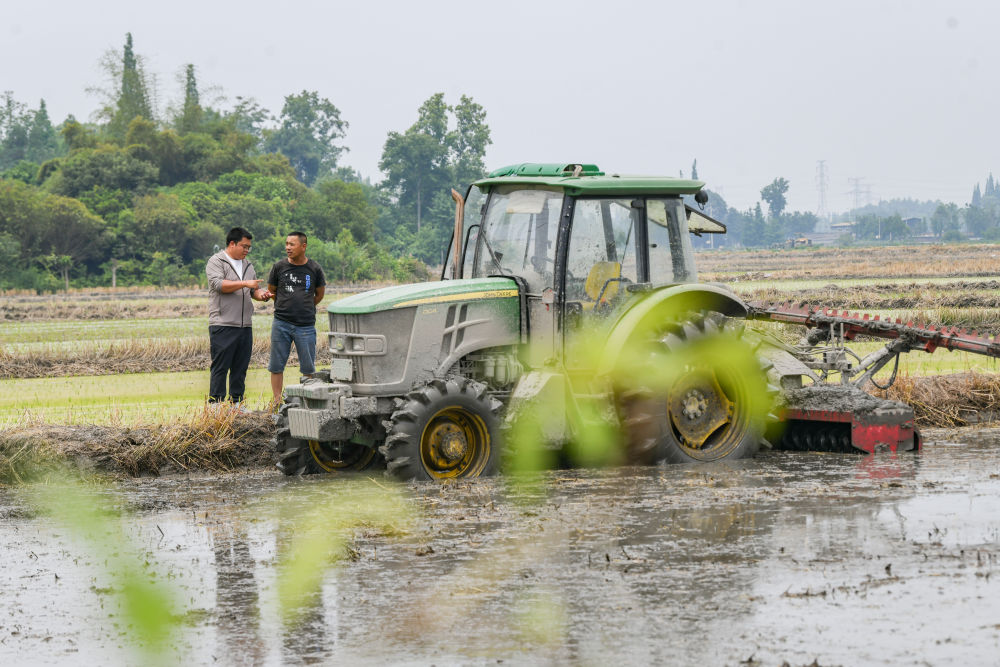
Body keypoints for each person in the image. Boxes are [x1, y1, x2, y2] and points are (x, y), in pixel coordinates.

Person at [205, 227, 271, 406]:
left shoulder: (248, 265)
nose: (247, 250)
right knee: (220, 367)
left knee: (240, 369)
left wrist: (262, 295)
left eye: (249, 247)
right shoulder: (216, 261)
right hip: (223, 323)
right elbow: (219, 285)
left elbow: (253, 290)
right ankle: (216, 406)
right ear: (232, 243)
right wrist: (245, 283)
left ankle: (237, 405)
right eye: (244, 246)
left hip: (245, 325)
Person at [266, 231, 326, 405]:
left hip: (306, 325)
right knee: (276, 365)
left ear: (303, 246)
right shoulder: (279, 267)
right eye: (286, 244)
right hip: (281, 323)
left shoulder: (314, 268)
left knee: (308, 367)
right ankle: (277, 402)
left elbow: (319, 294)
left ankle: (307, 402)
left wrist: (304, 306)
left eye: (292, 244)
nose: (288, 247)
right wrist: (285, 306)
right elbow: (272, 290)